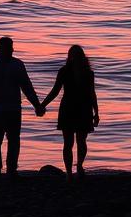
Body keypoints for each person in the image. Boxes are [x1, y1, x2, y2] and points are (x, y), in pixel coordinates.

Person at [0, 36, 44, 177]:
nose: (11, 50)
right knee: (6, 140)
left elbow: (26, 87)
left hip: (5, 109)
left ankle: (1, 170)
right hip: (3, 109)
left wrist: (37, 105)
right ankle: (4, 170)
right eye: (9, 47)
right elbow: (26, 87)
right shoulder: (11, 65)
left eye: (11, 47)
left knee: (2, 141)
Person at [41, 44, 99, 181]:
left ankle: (70, 172)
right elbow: (92, 94)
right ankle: (78, 167)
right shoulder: (87, 72)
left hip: (69, 108)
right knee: (80, 141)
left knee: (69, 143)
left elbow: (55, 91)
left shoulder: (65, 71)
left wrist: (42, 105)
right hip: (83, 108)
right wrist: (96, 112)